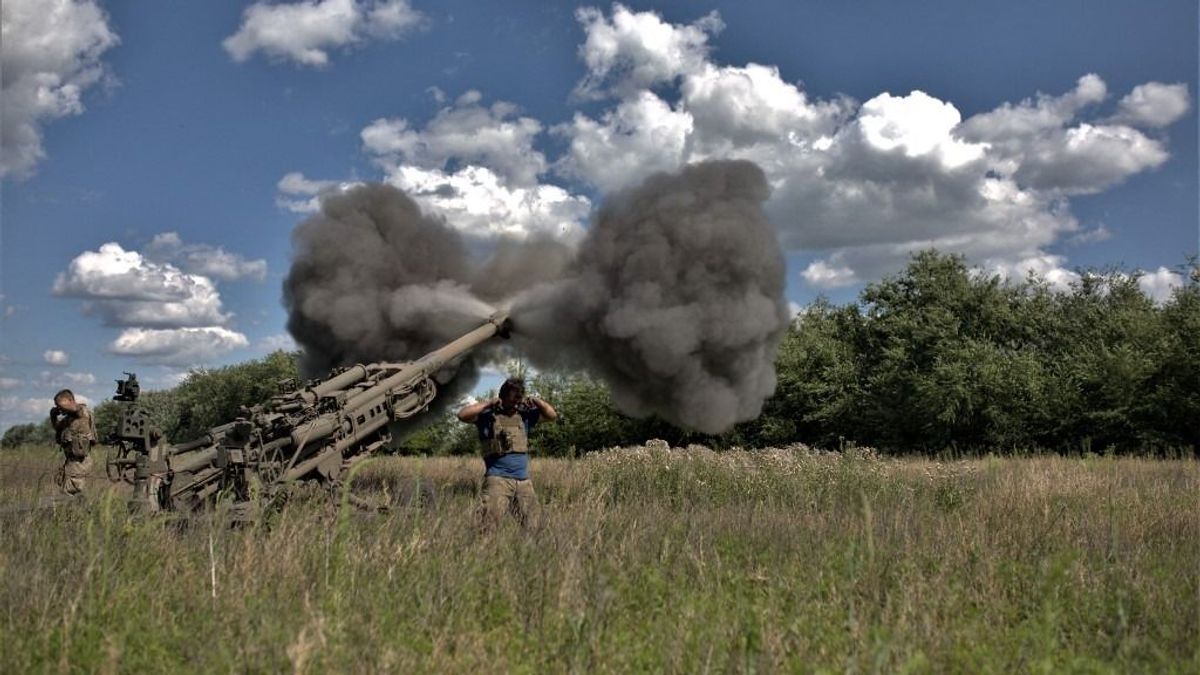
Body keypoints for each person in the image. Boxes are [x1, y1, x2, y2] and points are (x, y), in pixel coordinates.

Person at [457, 378, 557, 530]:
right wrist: (489, 403)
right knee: (486, 529)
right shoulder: (488, 416)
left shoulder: (524, 416)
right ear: (502, 398)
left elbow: (552, 415)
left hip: (523, 482)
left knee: (535, 528)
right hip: (498, 480)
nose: (516, 404)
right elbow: (462, 415)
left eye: (519, 399)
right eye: (512, 400)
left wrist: (536, 401)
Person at [49, 389, 98, 496]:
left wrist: (63, 407)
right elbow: (58, 428)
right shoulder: (69, 419)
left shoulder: (82, 412)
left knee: (70, 492)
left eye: (61, 405)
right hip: (71, 461)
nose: (60, 409)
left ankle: (79, 511)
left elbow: (77, 408)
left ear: (71, 400)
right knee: (67, 490)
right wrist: (53, 416)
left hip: (80, 462)